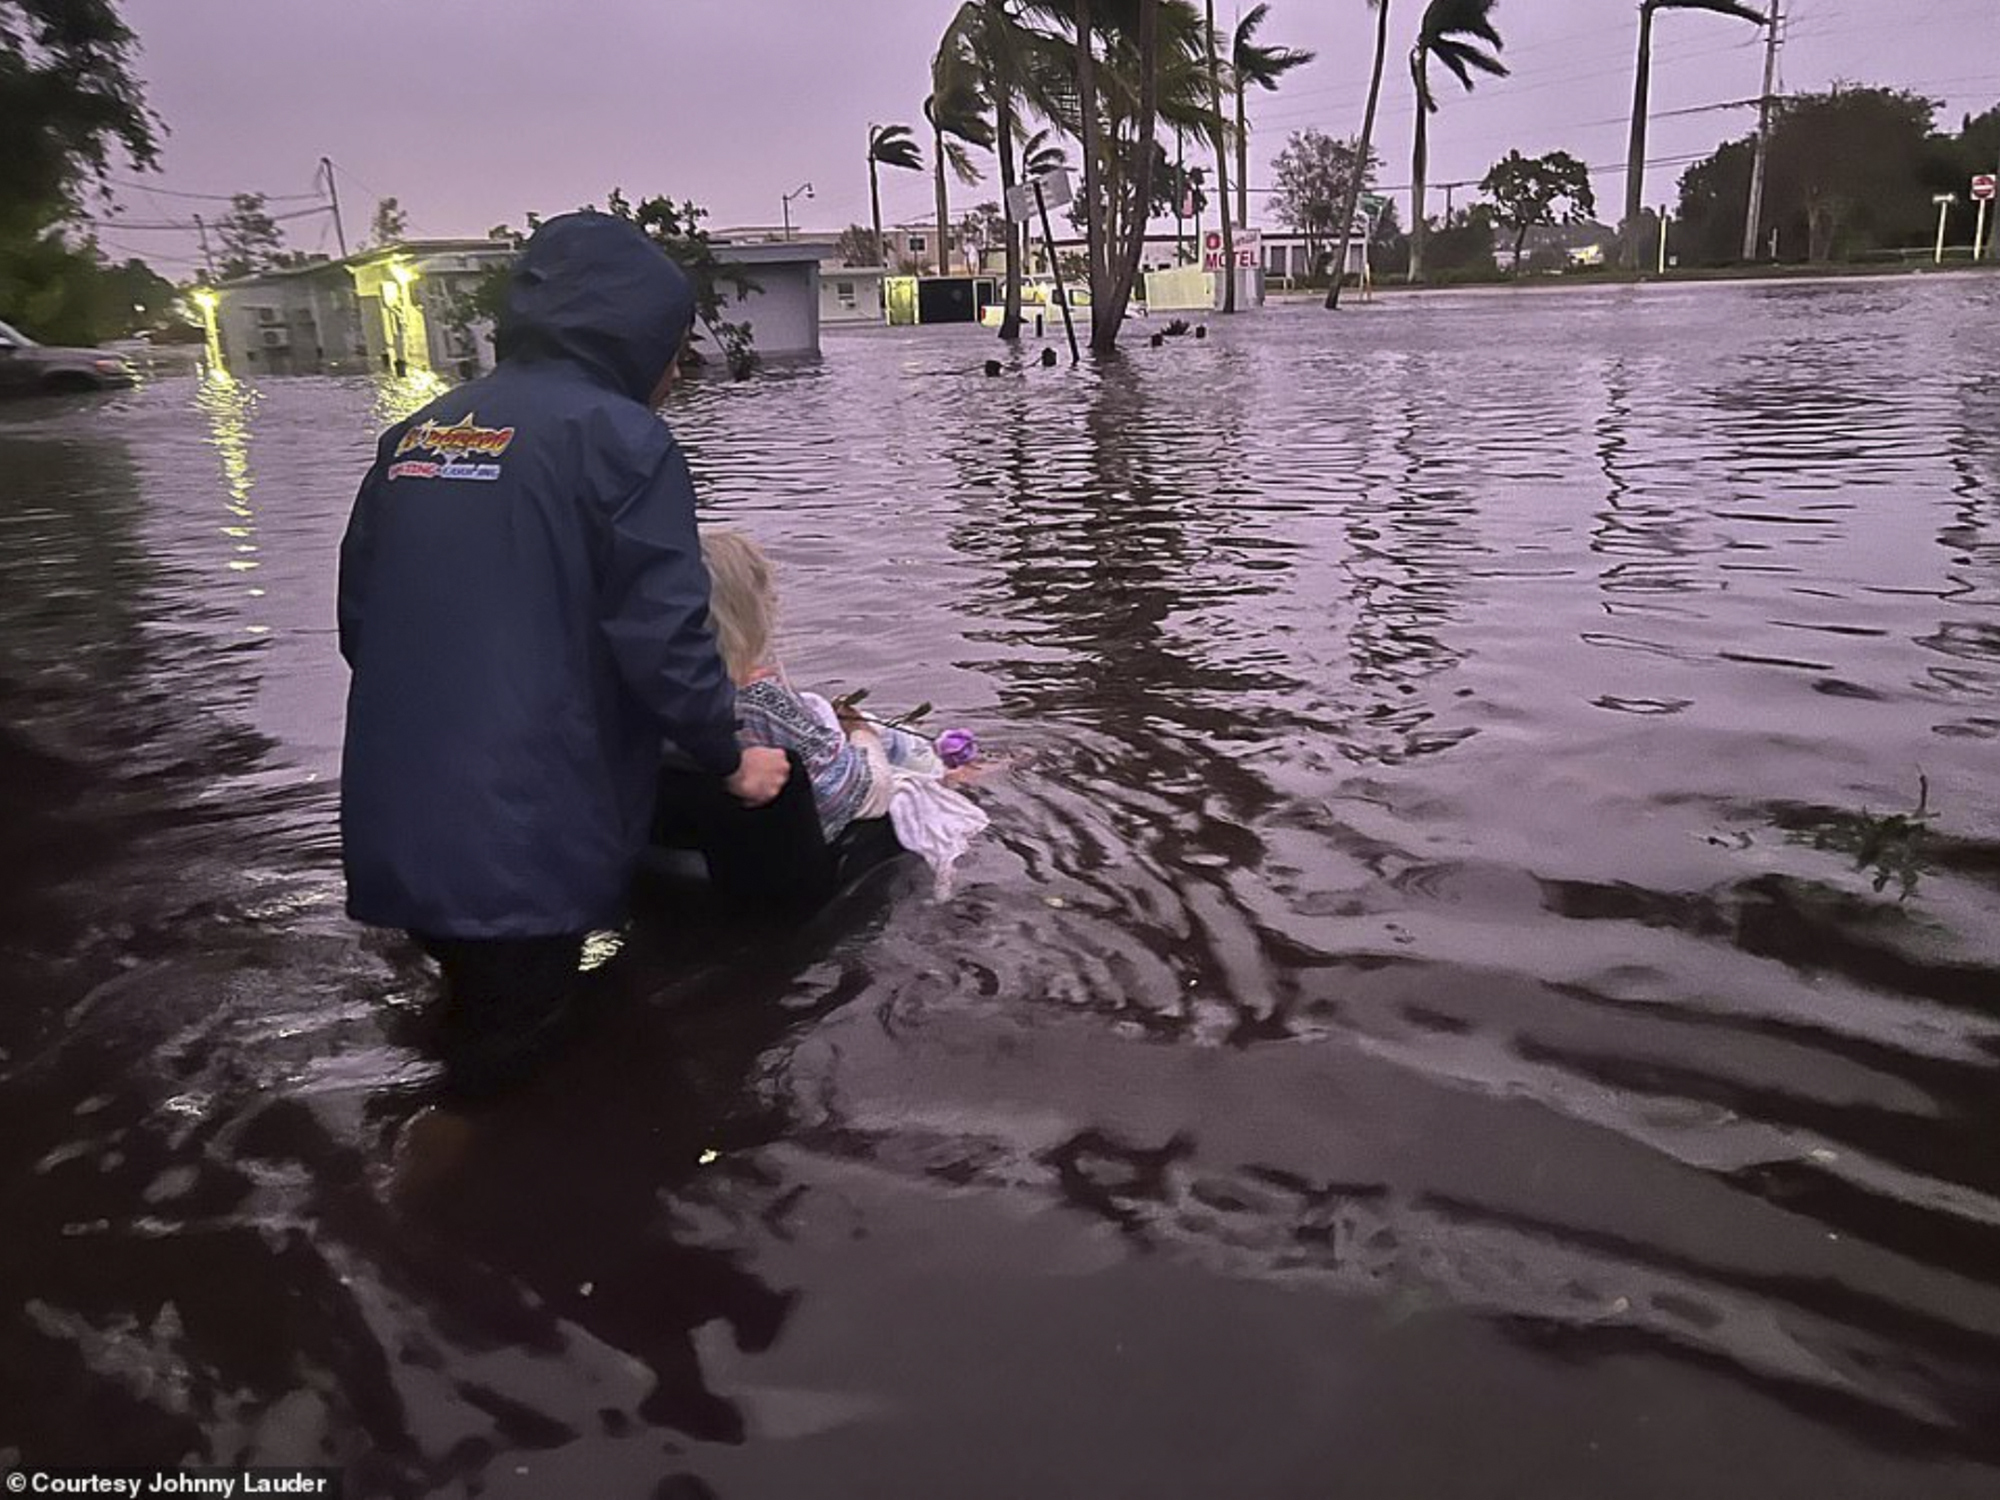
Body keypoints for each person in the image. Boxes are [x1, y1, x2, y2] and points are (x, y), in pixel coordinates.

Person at [337, 212, 789, 1094]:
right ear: (636, 338)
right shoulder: (623, 439)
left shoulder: (417, 437)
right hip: (521, 844)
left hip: (399, 826)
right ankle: (425, 1186)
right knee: (509, 1073)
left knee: (482, 1005)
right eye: (673, 352)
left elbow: (361, 626)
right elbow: (664, 633)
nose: (674, 374)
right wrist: (729, 755)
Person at [698, 529, 989, 897]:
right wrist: (861, 730)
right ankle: (961, 776)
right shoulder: (760, 700)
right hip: (788, 867)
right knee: (900, 771)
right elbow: (868, 791)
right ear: (751, 611)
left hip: (696, 857)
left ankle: (959, 772)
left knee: (854, 733)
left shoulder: (652, 701)